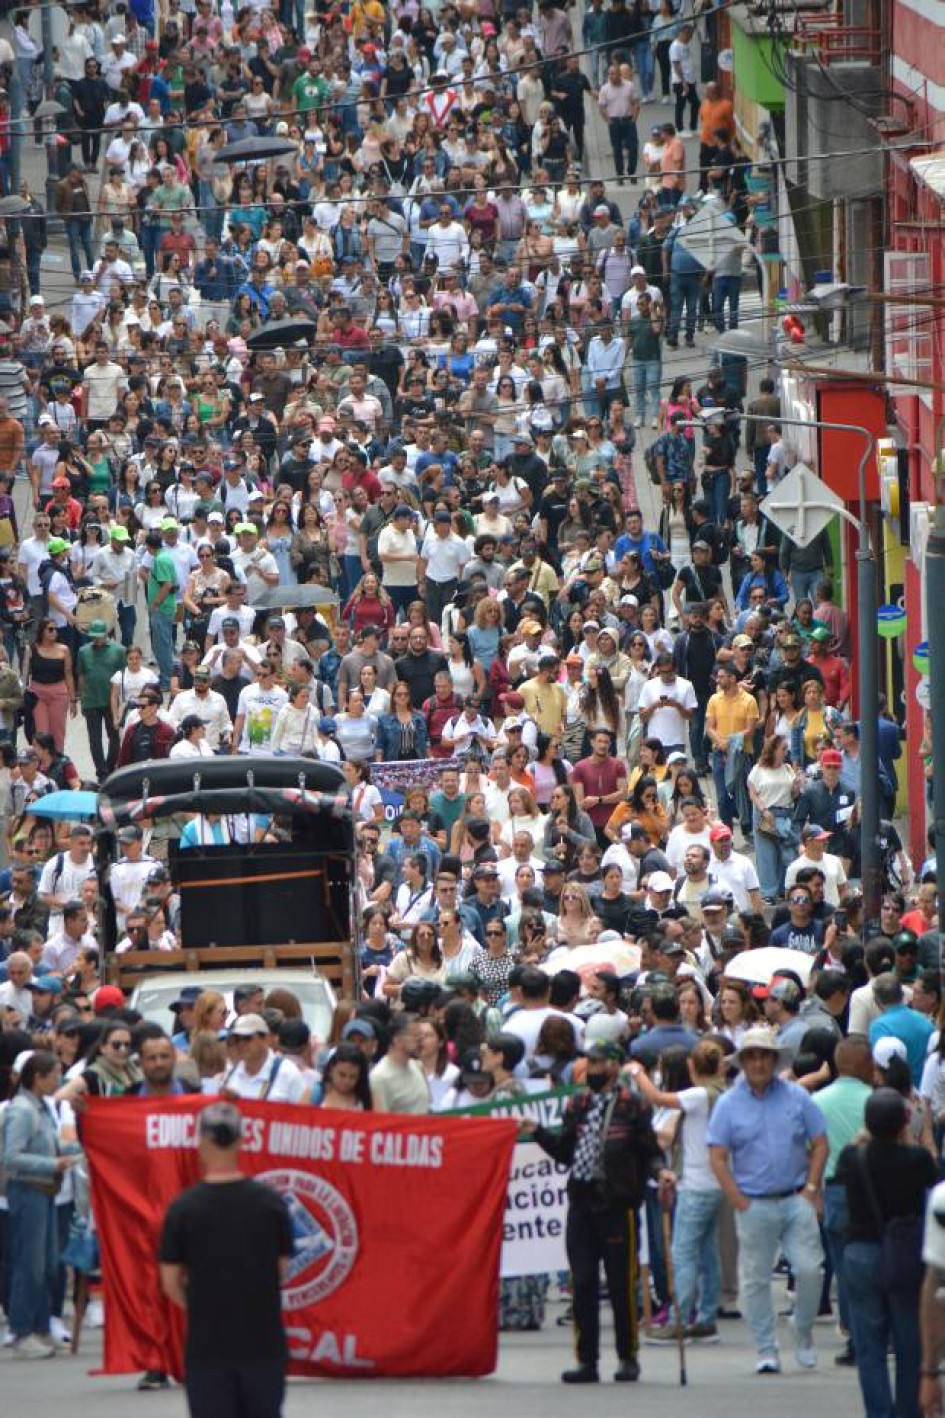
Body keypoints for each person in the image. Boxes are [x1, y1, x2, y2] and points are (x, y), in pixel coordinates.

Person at [522, 1039, 661, 1384]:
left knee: (619, 1285)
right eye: (589, 1065)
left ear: (614, 1066)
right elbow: (566, 1151)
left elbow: (650, 1150)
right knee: (582, 1283)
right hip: (581, 1202)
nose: (593, 1071)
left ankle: (628, 1356)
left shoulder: (633, 1105)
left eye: (599, 1065)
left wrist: (662, 1173)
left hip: (617, 1203)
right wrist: (537, 1132)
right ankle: (587, 1360)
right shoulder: (579, 1102)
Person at [159, 1102, 293, 1418]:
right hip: (263, 1341)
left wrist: (201, 1304)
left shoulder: (183, 1209)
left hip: (208, 1345)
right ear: (241, 1140)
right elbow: (281, 1269)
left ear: (200, 1142)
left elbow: (170, 1281)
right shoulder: (270, 1204)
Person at [707, 1026, 828, 1374]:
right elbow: (717, 1155)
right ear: (743, 1062)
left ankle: (802, 1330)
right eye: (752, 1056)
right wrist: (737, 1198)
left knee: (809, 1269)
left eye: (764, 1055)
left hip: (794, 1197)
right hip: (754, 1201)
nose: (758, 1062)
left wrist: (810, 1188)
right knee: (755, 1278)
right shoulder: (729, 1103)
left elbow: (820, 1142)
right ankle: (766, 1347)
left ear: (775, 1060)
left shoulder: (796, 1096)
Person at [834, 1088, 937, 1418]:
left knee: (869, 1345)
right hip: (905, 1255)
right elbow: (933, 1186)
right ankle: (908, 1411)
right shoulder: (917, 1159)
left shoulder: (852, 1157)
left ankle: (878, 1412)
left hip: (861, 1251)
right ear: (905, 1121)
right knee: (909, 1342)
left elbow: (845, 1170)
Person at [2, 1049, 80, 1358]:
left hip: (45, 1191)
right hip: (28, 1191)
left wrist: (71, 1152)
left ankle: (40, 1327)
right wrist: (52, 1164)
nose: (58, 1081)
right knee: (29, 1264)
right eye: (54, 1076)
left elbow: (55, 1142)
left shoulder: (44, 1107)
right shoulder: (22, 1110)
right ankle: (22, 1331)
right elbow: (11, 1157)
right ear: (38, 1077)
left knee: (47, 1262)